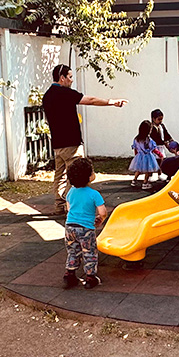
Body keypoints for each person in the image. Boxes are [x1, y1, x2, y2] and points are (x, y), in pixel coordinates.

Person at [41, 64, 128, 213]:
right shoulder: (65, 93)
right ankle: (71, 206)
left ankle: (59, 205)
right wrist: (111, 102)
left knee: (60, 175)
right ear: (62, 78)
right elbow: (91, 100)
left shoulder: (47, 95)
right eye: (70, 77)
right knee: (76, 176)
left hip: (57, 143)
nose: (72, 80)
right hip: (71, 143)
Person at [63, 158, 107, 289]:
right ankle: (90, 277)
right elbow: (103, 212)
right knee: (89, 251)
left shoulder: (71, 192)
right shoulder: (94, 194)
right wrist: (100, 218)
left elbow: (69, 209)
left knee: (73, 251)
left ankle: (70, 274)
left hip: (70, 227)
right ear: (89, 177)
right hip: (86, 228)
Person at [129, 121, 160, 190]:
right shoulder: (148, 140)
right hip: (148, 156)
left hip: (139, 156)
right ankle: (145, 183)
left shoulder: (136, 139)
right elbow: (153, 148)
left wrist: (136, 156)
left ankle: (134, 180)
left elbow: (135, 148)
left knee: (139, 169)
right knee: (148, 170)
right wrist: (159, 154)